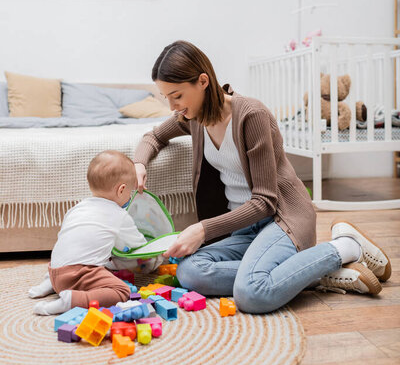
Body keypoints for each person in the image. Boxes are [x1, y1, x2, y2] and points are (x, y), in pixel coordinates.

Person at [133, 40, 392, 313]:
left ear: (203, 81)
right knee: (190, 273)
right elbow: (154, 136)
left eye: (177, 96)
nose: (173, 107)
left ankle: (346, 246)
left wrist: (202, 230)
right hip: (244, 229)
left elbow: (265, 201)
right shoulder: (193, 118)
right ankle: (309, 273)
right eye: (166, 98)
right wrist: (139, 163)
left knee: (251, 294)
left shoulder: (250, 115)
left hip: (280, 219)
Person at [29, 150, 160, 315]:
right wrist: (155, 257)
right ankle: (70, 301)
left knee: (90, 260)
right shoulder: (120, 215)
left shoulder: (78, 207)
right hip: (78, 276)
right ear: (121, 190)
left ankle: (49, 283)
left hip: (55, 271)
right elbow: (139, 246)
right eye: (130, 192)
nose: (130, 196)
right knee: (122, 290)